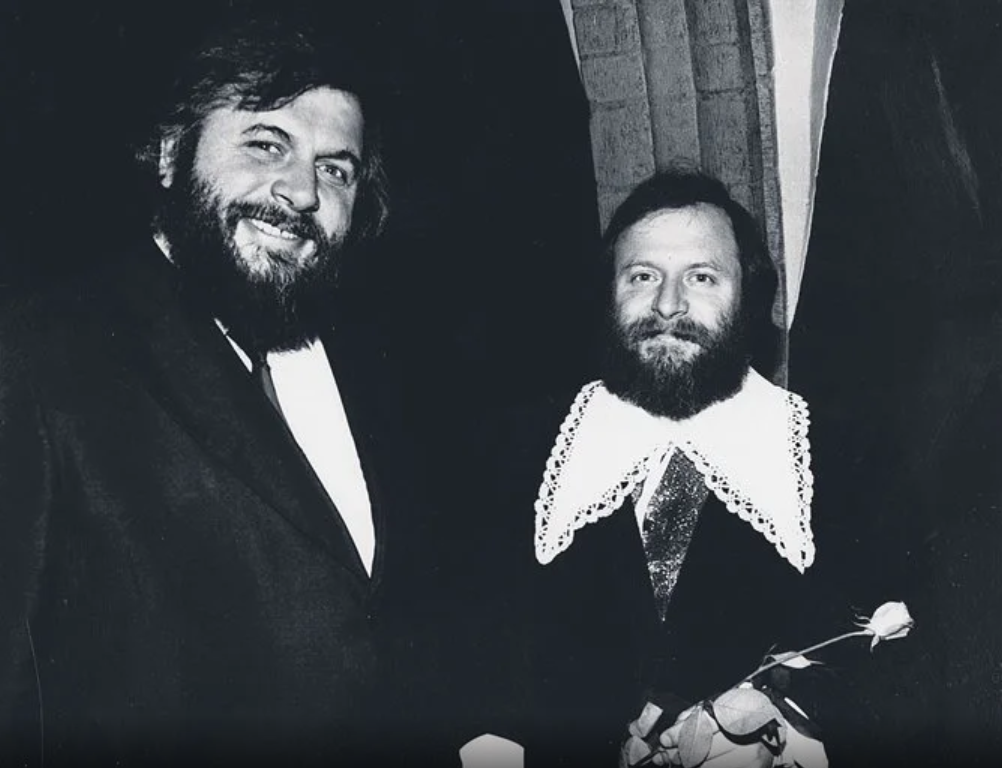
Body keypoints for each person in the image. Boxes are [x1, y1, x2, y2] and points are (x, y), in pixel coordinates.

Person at [0, 15, 452, 766]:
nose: (301, 191)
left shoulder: (381, 368)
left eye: (335, 170)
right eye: (266, 144)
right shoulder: (40, 354)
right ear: (171, 153)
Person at [459, 170, 831, 767]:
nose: (667, 304)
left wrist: (789, 742)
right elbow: (469, 675)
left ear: (750, 299)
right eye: (642, 276)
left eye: (702, 277)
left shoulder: (833, 458)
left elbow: (888, 681)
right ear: (609, 295)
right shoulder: (516, 451)